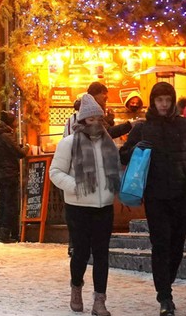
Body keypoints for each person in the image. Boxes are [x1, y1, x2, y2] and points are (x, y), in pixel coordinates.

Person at [120, 81, 186, 316]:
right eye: (159, 100)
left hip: (182, 194)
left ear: (172, 101)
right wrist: (135, 148)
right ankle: (165, 296)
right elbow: (123, 156)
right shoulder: (142, 129)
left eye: (167, 100)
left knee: (177, 246)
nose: (163, 104)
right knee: (161, 245)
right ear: (153, 102)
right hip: (155, 196)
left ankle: (166, 283)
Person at [50, 94, 118, 316]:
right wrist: (76, 186)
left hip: (104, 206)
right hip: (78, 207)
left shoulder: (109, 143)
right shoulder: (68, 143)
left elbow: (116, 169)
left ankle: (100, 301)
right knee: (80, 253)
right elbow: (55, 172)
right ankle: (76, 286)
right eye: (91, 119)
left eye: (99, 118)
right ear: (82, 120)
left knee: (101, 254)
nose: (95, 123)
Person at [0, 110, 28, 244]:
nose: (16, 124)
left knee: (2, 204)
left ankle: (0, 233)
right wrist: (27, 147)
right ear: (10, 123)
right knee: (10, 204)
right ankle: (7, 234)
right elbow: (20, 153)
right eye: (14, 121)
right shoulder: (6, 136)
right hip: (9, 175)